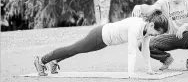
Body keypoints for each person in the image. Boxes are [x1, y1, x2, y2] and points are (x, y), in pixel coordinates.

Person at [34, 9, 169, 76]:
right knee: (73, 48)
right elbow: (131, 50)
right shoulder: (136, 27)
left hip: (103, 41)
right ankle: (41, 60)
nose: (157, 35)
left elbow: (146, 49)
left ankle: (54, 61)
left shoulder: (146, 31)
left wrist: (149, 70)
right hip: (99, 35)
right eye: (158, 32)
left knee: (76, 50)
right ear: (151, 25)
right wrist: (131, 74)